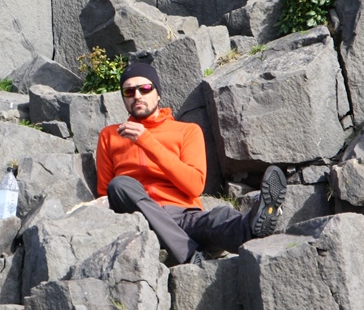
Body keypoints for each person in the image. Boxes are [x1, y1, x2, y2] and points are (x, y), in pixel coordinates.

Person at [95, 62, 286, 264]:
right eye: (129, 91)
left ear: (157, 94)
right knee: (120, 185)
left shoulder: (187, 131)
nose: (137, 95)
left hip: (184, 216)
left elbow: (194, 186)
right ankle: (189, 254)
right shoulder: (110, 135)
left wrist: (146, 141)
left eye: (145, 88)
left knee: (218, 218)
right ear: (124, 97)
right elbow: (106, 196)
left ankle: (253, 224)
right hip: (141, 218)